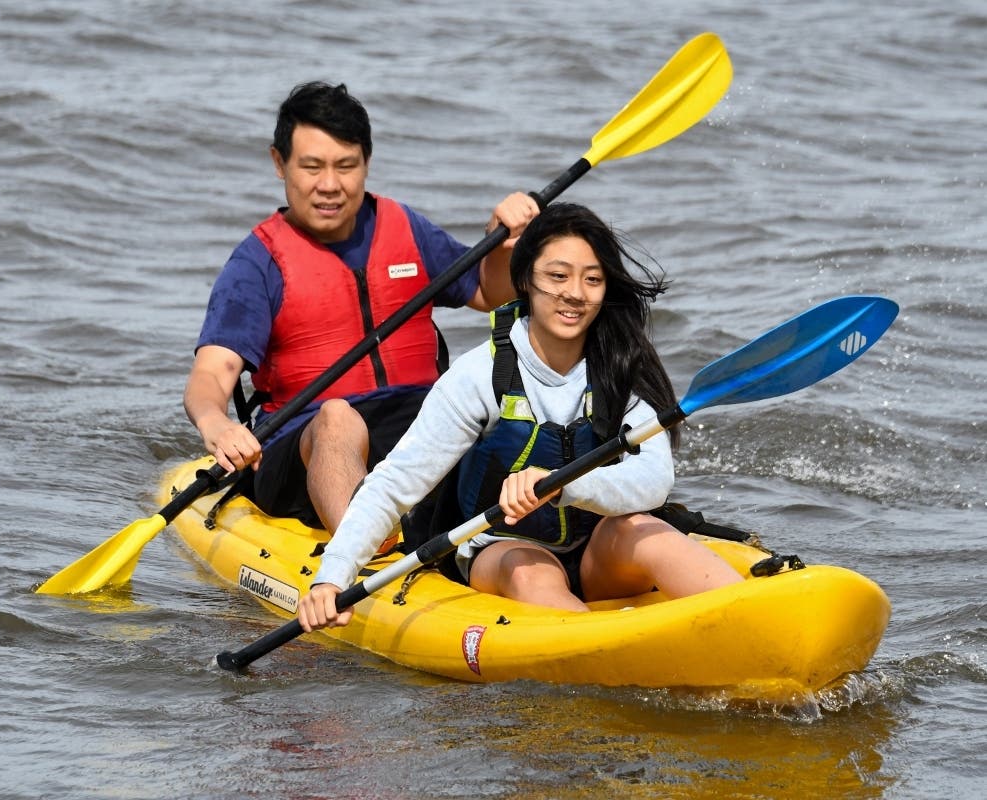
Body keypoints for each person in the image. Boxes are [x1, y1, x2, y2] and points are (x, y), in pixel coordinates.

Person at [297, 202, 744, 631]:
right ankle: (602, 657)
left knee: (649, 530)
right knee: (530, 573)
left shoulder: (621, 367)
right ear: (526, 279)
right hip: (502, 551)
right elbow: (395, 485)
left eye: (592, 279)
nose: (575, 293)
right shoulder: (481, 376)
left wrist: (564, 485)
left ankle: (751, 621)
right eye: (557, 276)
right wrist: (332, 576)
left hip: (597, 551)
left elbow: (654, 479)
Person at [183, 81, 539, 540]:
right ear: (279, 163)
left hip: (416, 427)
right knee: (335, 418)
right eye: (311, 167)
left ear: (366, 163)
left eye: (345, 166)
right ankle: (366, 547)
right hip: (306, 448)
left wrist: (504, 241)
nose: (329, 185)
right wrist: (217, 425)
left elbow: (489, 294)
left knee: (499, 411)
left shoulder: (405, 227)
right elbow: (212, 374)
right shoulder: (258, 263)